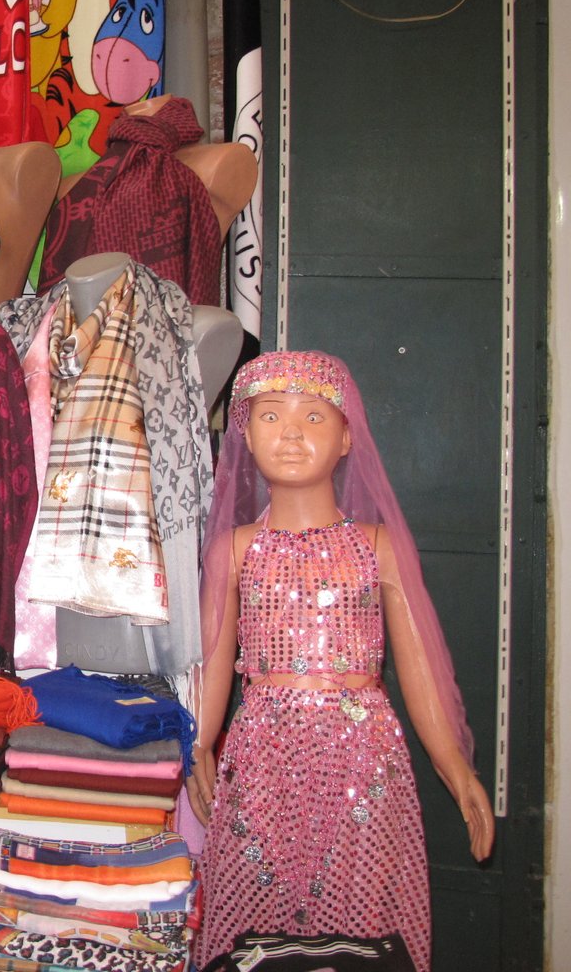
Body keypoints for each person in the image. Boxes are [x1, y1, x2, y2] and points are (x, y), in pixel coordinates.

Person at [191, 350, 493, 971]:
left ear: (348, 436)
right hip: (260, 757)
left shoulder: (377, 546)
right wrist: (195, 746)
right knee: (255, 920)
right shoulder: (234, 549)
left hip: (364, 759)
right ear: (244, 434)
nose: (292, 433)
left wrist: (454, 765)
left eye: (314, 417)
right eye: (270, 416)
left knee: (363, 920)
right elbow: (212, 664)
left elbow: (421, 671)